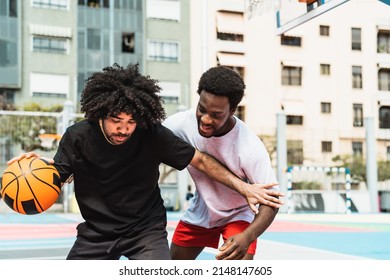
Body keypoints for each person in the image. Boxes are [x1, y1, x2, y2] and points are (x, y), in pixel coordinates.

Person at [8, 63, 282, 260]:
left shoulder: (154, 133)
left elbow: (199, 160)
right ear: (99, 113)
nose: (124, 129)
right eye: (116, 121)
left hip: (147, 231)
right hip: (97, 232)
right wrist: (37, 168)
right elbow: (60, 174)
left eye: (130, 122)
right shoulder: (78, 137)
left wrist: (245, 190)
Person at [164, 66, 282, 260]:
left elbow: (272, 202)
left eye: (216, 114)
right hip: (202, 211)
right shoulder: (180, 124)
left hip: (239, 216)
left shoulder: (249, 147)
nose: (205, 119)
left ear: (232, 110)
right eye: (202, 109)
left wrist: (248, 236)